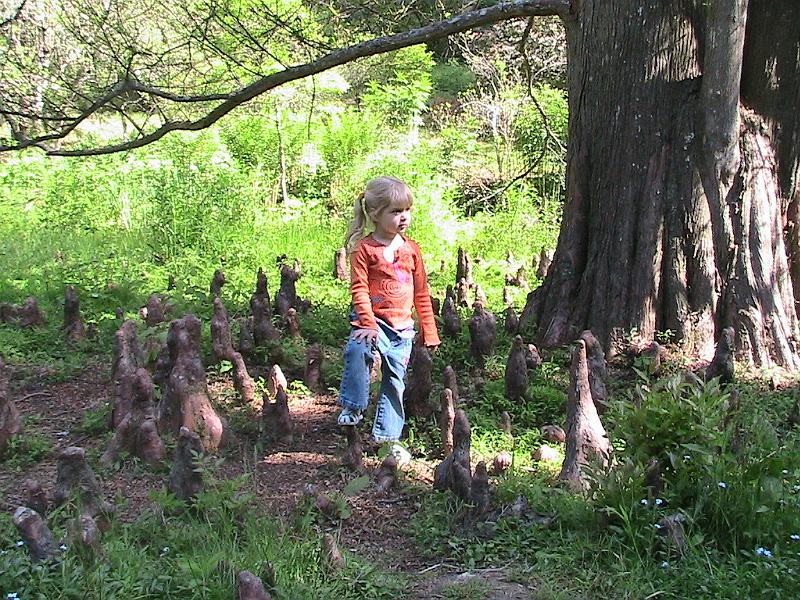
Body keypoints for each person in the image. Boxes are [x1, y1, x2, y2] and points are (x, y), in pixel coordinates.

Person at [337, 176, 440, 459]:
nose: (404, 217)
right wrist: (368, 323)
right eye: (395, 211)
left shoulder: (412, 249)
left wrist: (429, 329)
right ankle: (353, 405)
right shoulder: (364, 249)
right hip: (373, 321)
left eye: (407, 210)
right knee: (358, 350)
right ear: (375, 214)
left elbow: (421, 291)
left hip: (402, 327)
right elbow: (359, 289)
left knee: (395, 381)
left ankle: (388, 438)